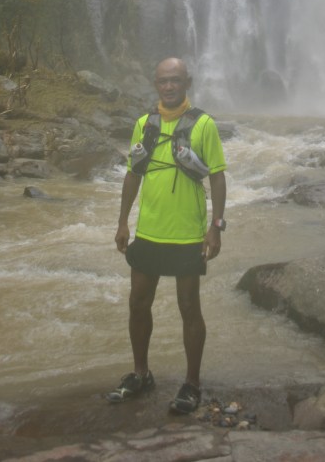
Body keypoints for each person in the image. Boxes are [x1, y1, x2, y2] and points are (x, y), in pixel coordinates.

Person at [107, 57, 227, 414]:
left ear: (187, 82)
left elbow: (218, 177)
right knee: (137, 304)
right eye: (163, 81)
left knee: (189, 307)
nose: (169, 86)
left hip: (188, 234)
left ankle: (191, 384)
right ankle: (141, 374)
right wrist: (122, 222)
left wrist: (215, 227)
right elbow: (133, 174)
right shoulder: (145, 124)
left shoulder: (204, 124)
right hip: (148, 231)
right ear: (155, 84)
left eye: (176, 80)